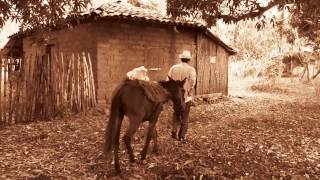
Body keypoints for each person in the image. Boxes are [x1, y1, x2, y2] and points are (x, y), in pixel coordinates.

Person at [167, 50, 196, 141]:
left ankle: (174, 132)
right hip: (185, 97)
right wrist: (189, 92)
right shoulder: (191, 69)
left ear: (181, 58)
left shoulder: (173, 68)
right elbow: (192, 82)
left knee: (176, 114)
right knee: (185, 116)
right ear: (189, 60)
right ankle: (182, 136)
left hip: (175, 97)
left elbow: (168, 81)